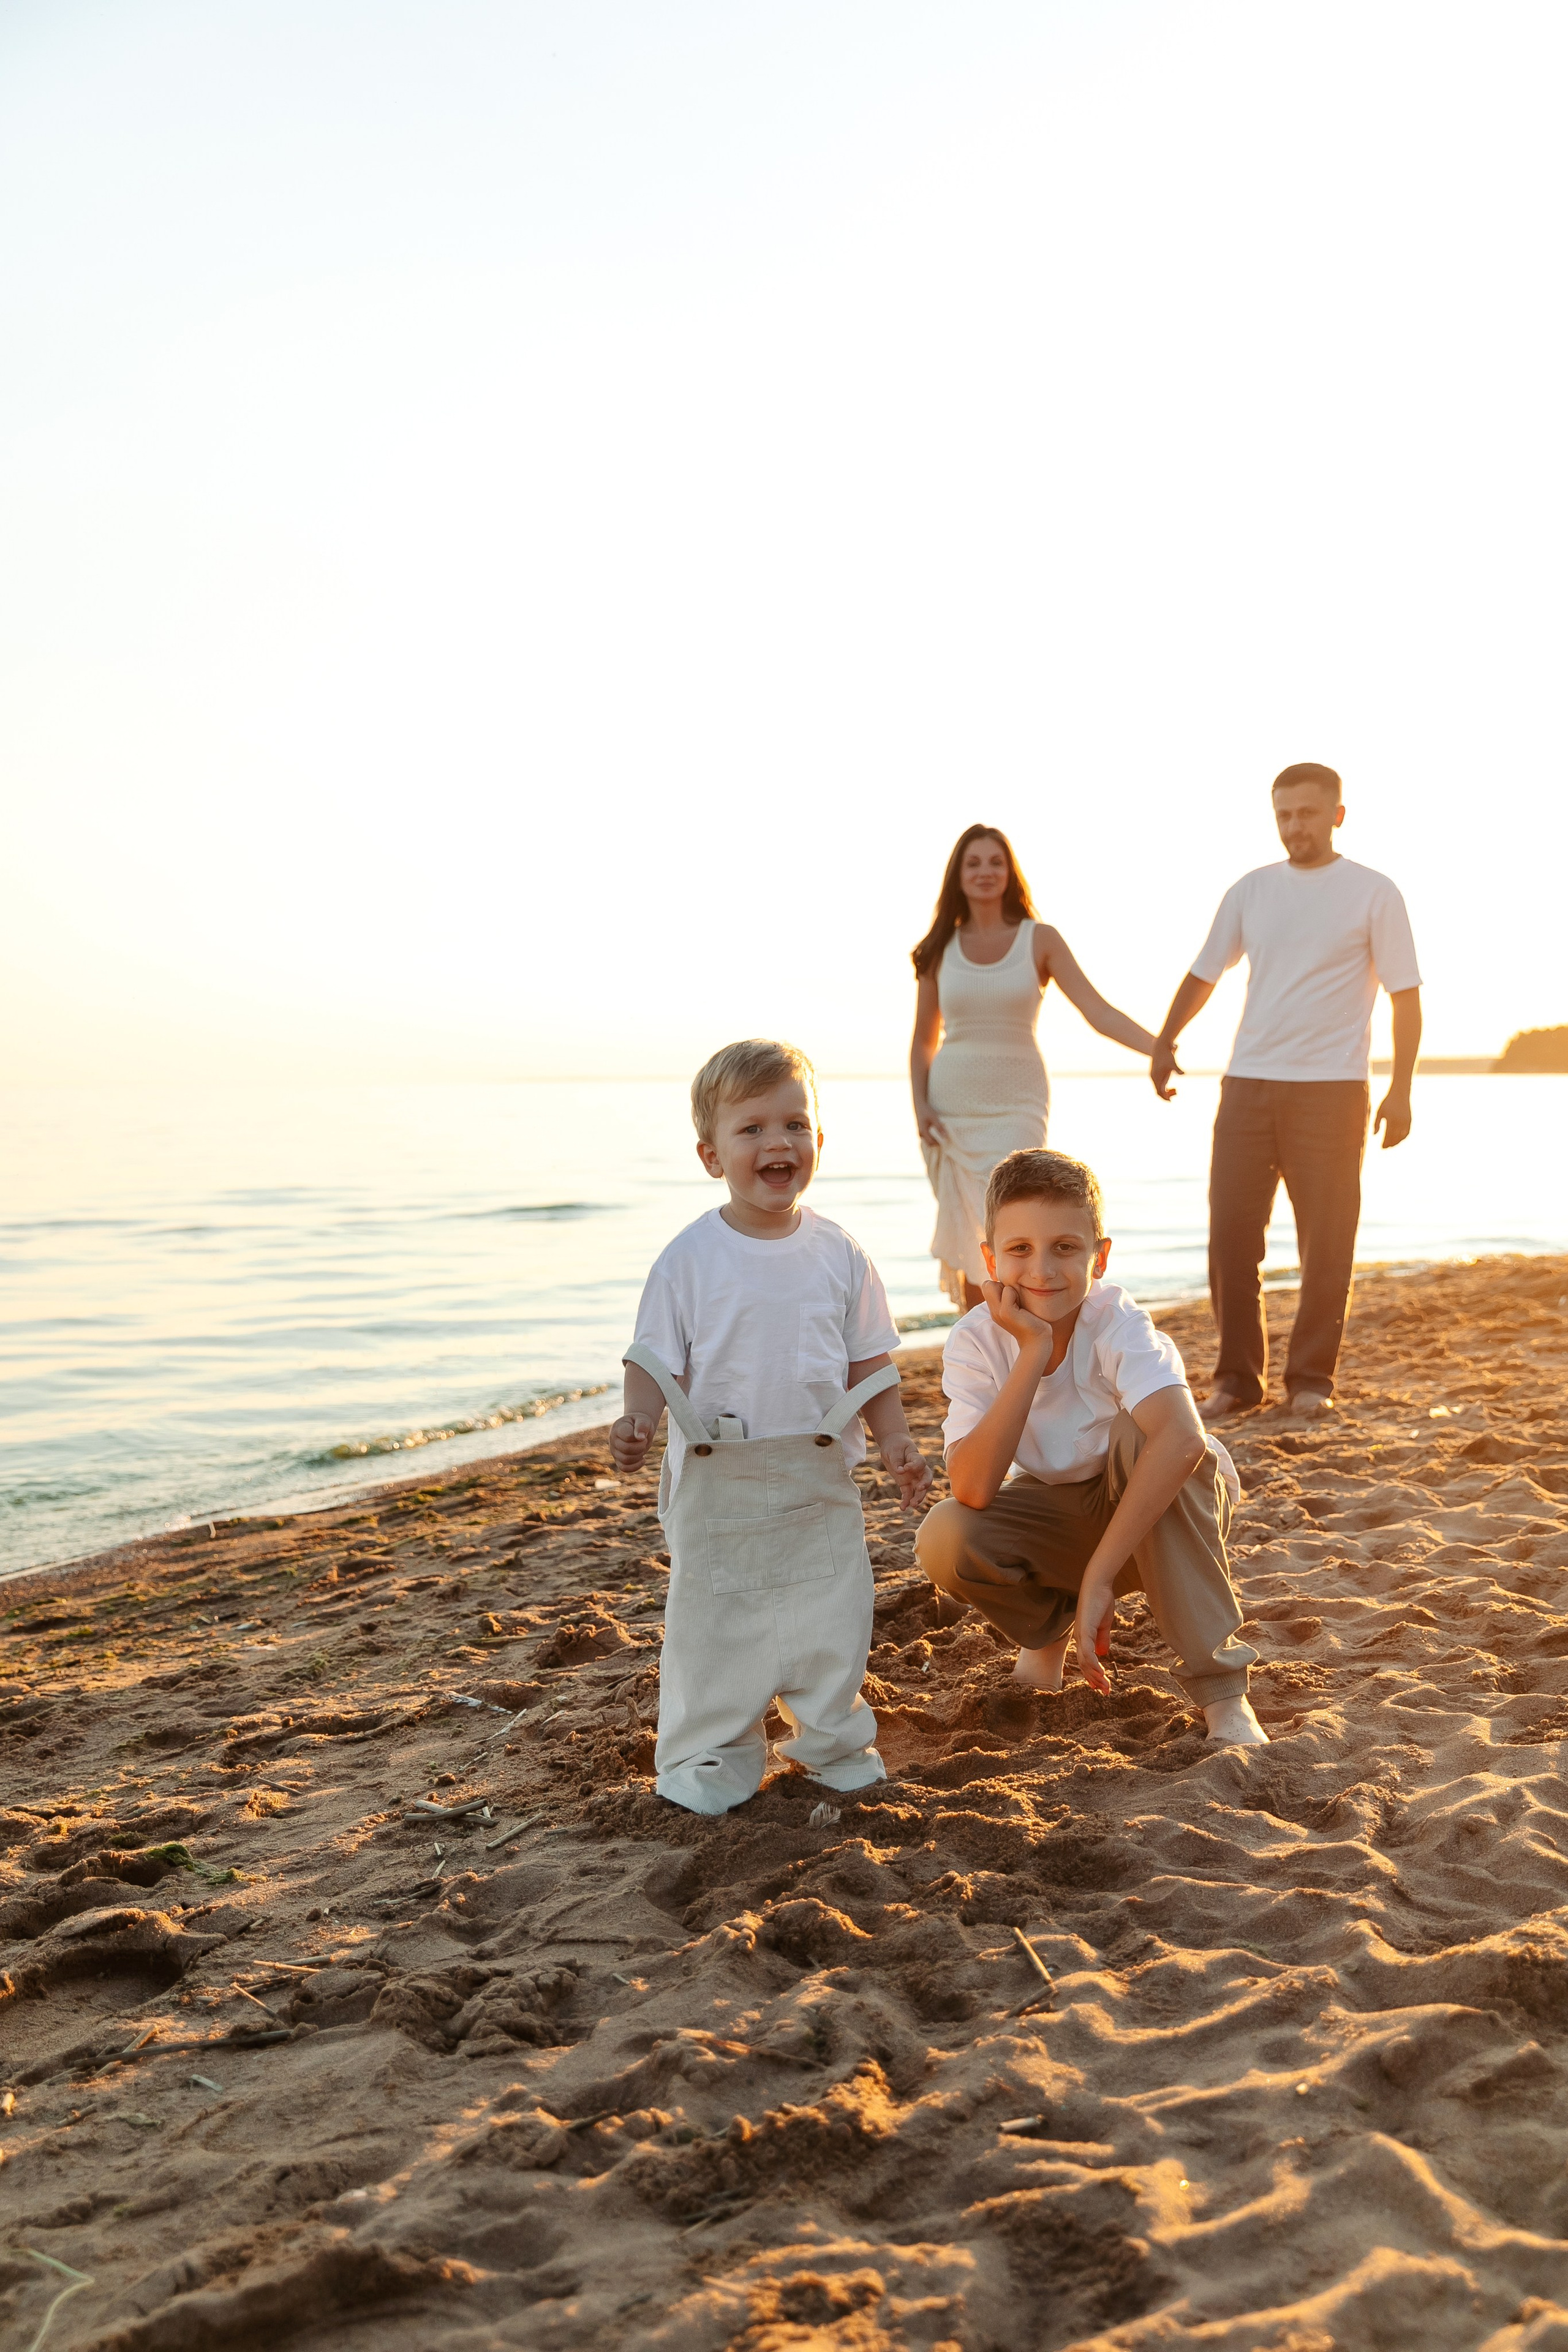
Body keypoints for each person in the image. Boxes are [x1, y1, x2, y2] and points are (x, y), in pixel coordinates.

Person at [611, 1038, 933, 1815]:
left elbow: (871, 1365)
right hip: (716, 1473)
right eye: (751, 1129)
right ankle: (711, 1753)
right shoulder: (689, 1258)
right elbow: (653, 1358)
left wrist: (894, 1441)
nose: (776, 1143)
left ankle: (832, 1740)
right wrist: (638, 1418)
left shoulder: (839, 1255)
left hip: (817, 1470)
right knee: (715, 1626)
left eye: (794, 1124)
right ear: (710, 1154)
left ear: (818, 1140)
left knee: (833, 1612)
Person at [914, 1148, 1265, 1745]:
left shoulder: (1116, 1320)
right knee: (945, 1535)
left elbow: (1181, 1438)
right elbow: (970, 1487)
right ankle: (1044, 1635)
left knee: (1141, 1430)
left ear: (1099, 1257)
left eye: (1065, 1248)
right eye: (1020, 1249)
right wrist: (1029, 1351)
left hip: (1175, 1507)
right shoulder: (975, 1341)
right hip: (1069, 1510)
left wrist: (1099, 1577)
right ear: (989, 1260)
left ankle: (1223, 1694)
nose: (1043, 1270)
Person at [1152, 763, 1422, 1421]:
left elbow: (1405, 995)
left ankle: (1310, 1380)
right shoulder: (1251, 891)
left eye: (1306, 813)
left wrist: (1401, 1089)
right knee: (1231, 1238)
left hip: (1332, 1091)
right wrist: (1164, 1041)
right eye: (1283, 815)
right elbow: (1204, 972)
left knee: (1326, 1240)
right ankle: (1238, 1380)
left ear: (1336, 814)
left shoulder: (1373, 893)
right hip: (1248, 1084)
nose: (1293, 826)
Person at [910, 824, 1158, 1311]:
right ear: (958, 876)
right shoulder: (939, 948)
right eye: (974, 863)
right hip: (951, 1108)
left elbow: (1098, 1011)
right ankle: (981, 1351)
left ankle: (1027, 1338)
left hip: (1018, 1105)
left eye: (995, 862)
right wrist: (920, 1106)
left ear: (1010, 873)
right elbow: (923, 1039)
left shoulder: (1039, 940)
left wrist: (1161, 1048)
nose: (985, 872)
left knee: (1020, 1221)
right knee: (968, 1234)